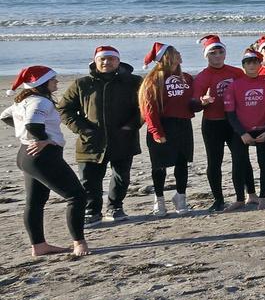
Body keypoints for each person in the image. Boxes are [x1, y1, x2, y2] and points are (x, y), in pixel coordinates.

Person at [3, 66, 90, 257]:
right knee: (76, 196)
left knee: (35, 201)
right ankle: (79, 243)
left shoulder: (23, 100)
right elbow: (32, 124)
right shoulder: (40, 102)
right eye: (53, 80)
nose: (57, 82)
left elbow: (5, 116)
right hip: (43, 156)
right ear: (42, 84)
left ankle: (39, 246)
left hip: (26, 154)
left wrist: (28, 136)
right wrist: (43, 139)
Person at [57, 45, 143, 223]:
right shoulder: (82, 84)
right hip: (91, 141)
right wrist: (83, 129)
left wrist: (131, 127)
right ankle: (92, 211)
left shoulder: (133, 82)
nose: (106, 62)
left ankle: (115, 207)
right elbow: (65, 109)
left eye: (111, 59)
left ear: (118, 61)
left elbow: (145, 107)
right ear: (95, 61)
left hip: (123, 139)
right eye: (102, 59)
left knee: (121, 177)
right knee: (89, 179)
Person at [139, 43, 199, 216]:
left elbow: (191, 105)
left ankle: (180, 197)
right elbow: (148, 109)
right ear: (167, 57)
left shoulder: (186, 77)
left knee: (182, 163)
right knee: (159, 166)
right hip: (162, 125)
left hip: (183, 125)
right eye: (176, 53)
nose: (180, 54)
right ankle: (159, 200)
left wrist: (202, 103)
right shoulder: (153, 79)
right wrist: (156, 131)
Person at [192, 35, 247, 212]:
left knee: (240, 159)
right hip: (212, 124)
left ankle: (243, 196)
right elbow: (193, 104)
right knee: (214, 163)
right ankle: (218, 199)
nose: (217, 55)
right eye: (213, 53)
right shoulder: (202, 77)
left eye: (220, 51)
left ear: (225, 53)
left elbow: (246, 95)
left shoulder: (236, 72)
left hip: (234, 124)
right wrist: (203, 101)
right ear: (206, 56)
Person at [224, 48, 265, 210]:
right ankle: (241, 198)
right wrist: (242, 133)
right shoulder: (234, 86)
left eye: (255, 63)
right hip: (241, 131)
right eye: (249, 63)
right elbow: (230, 113)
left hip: (263, 129)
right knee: (239, 162)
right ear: (243, 66)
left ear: (260, 65)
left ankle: (262, 198)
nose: (252, 66)